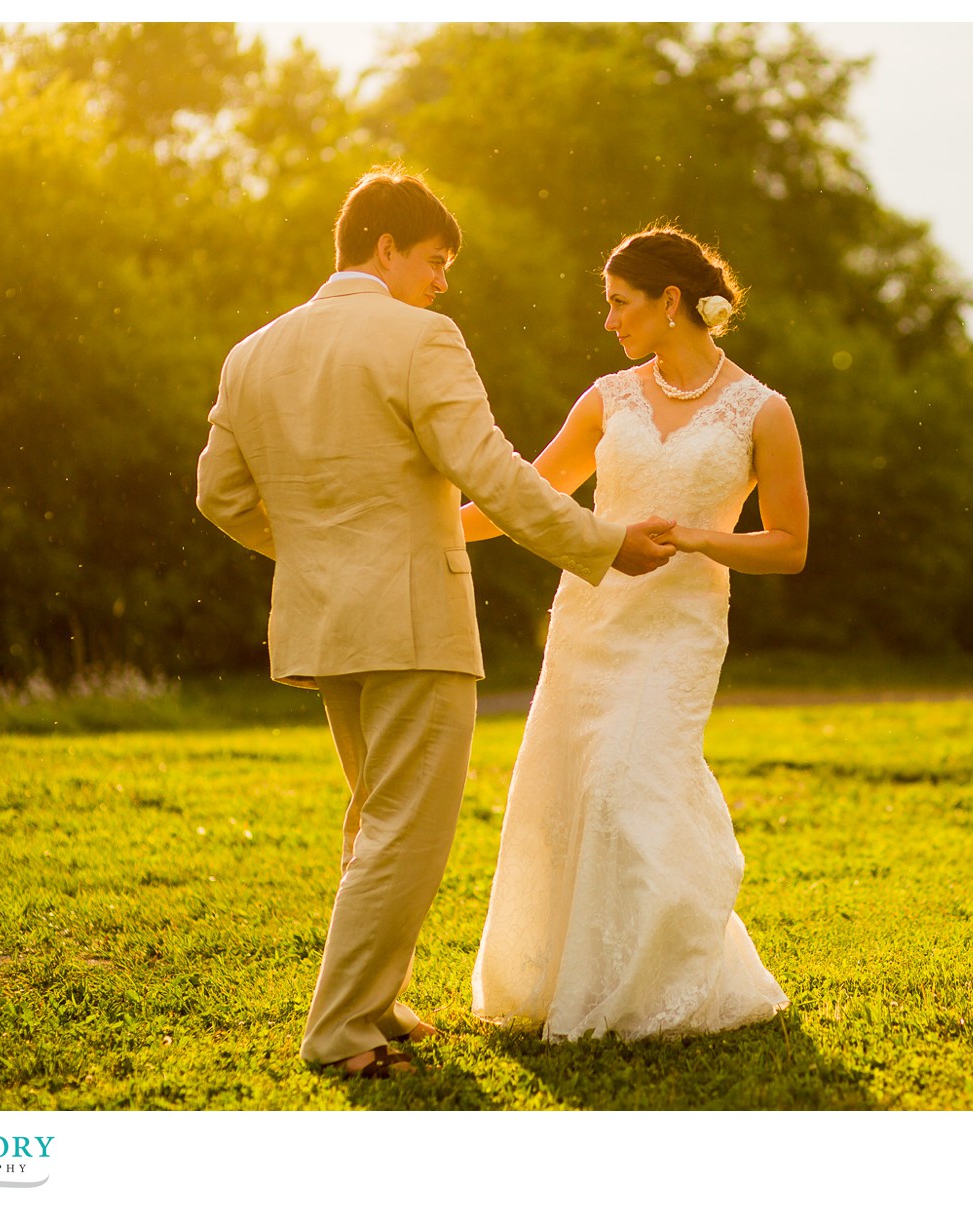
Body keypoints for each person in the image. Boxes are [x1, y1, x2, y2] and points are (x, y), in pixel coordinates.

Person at [195, 168, 676, 1079]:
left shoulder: (253, 352)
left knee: (375, 818)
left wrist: (312, 551)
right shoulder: (421, 338)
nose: (442, 281)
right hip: (412, 620)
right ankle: (341, 1033)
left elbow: (217, 496)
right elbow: (490, 471)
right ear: (385, 247)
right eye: (435, 259)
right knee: (406, 830)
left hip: (322, 622)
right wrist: (601, 543)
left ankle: (374, 1001)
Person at [465, 226, 807, 1039]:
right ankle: (565, 981)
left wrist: (697, 537)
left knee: (628, 788)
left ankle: (659, 983)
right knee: (574, 794)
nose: (609, 320)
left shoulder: (764, 412)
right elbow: (528, 499)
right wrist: (431, 528)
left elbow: (788, 547)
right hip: (591, 623)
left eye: (620, 304)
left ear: (671, 302)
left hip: (681, 632)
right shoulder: (605, 398)